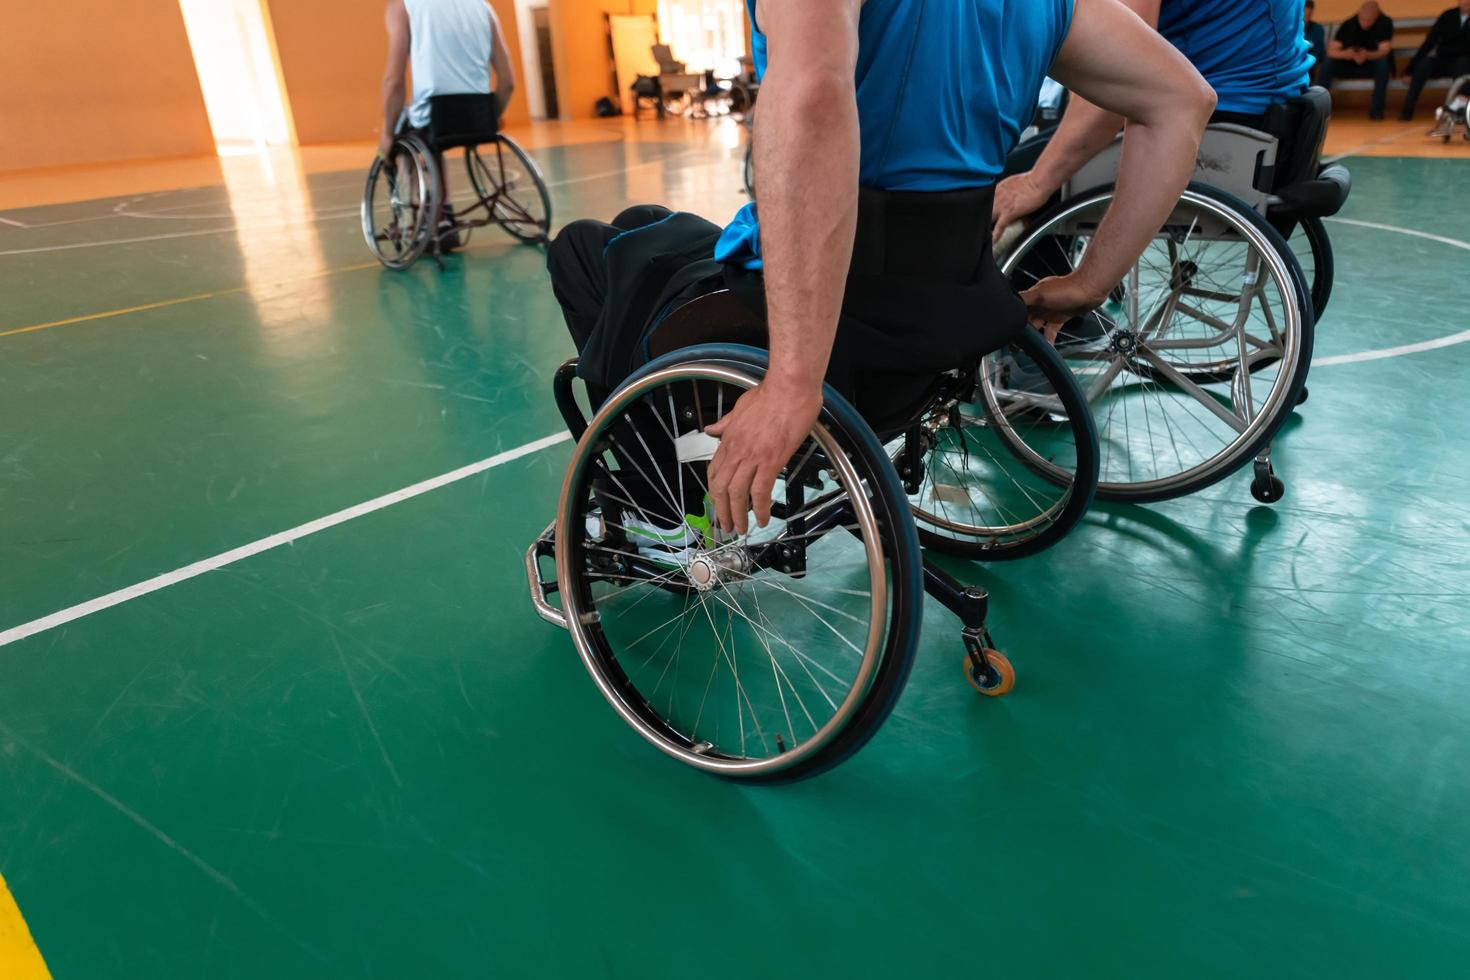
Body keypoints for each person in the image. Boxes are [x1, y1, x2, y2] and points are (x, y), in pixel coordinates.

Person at [547, 0, 1215, 536]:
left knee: (584, 246)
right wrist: (1090, 284)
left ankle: (658, 510)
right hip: (950, 315)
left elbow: (813, 96)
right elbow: (1183, 100)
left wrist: (792, 383)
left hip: (839, 327)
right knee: (649, 225)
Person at [994, 0, 1313, 235]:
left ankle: (1043, 319)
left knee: (997, 187)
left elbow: (1113, 83)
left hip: (1227, 122)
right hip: (1276, 112)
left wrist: (1035, 183)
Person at [377, 0, 516, 242]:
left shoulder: (403, 6)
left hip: (436, 116)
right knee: (430, 136)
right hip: (479, 116)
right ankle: (444, 212)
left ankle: (416, 219)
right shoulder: (483, 7)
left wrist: (387, 134)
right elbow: (507, 82)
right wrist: (493, 115)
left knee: (403, 138)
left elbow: (393, 82)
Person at [1320, 2, 1396, 119]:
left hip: (1371, 65)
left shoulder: (1385, 23)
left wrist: (1367, 55)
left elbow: (1384, 51)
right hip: (1349, 64)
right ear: (1358, 15)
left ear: (1376, 16)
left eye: (1369, 20)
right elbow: (1331, 51)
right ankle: (1320, 109)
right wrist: (1346, 54)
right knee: (1328, 63)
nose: (1365, 23)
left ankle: (1377, 111)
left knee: (1383, 64)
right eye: (1363, 20)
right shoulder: (1349, 24)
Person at [1399, 0, 1470, 119]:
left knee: (1462, 63)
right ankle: (1407, 109)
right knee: (1425, 64)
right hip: (1444, 59)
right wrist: (1409, 70)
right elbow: (1429, 43)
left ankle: (1459, 109)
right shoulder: (1447, 16)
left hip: (1465, 62)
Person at [1305, 1, 1329, 83]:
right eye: (1304, 14)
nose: (1306, 18)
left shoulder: (1317, 29)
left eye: (1308, 15)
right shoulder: (1290, 28)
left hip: (1310, 63)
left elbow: (1319, 51)